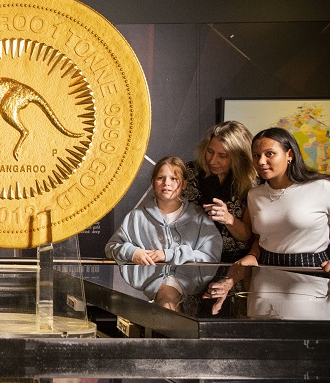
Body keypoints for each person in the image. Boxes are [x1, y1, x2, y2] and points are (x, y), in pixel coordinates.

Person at [106, 157, 222, 309]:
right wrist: (133, 253)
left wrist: (168, 255)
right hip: (149, 282)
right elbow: (111, 247)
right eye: (161, 178)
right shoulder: (137, 216)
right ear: (153, 182)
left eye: (174, 178)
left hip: (188, 283)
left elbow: (210, 258)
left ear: (184, 184)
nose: (167, 183)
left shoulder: (199, 218)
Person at [238, 127, 330, 271]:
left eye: (270, 154)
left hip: (313, 268)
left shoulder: (321, 187)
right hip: (266, 267)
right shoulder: (254, 194)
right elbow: (260, 239)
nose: (261, 161)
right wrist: (253, 254)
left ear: (290, 155)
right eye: (256, 155)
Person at [183, 121, 256, 262]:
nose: (212, 160)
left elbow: (248, 237)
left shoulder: (252, 182)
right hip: (193, 260)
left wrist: (228, 219)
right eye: (210, 152)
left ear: (239, 157)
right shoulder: (188, 173)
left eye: (222, 156)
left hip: (235, 265)